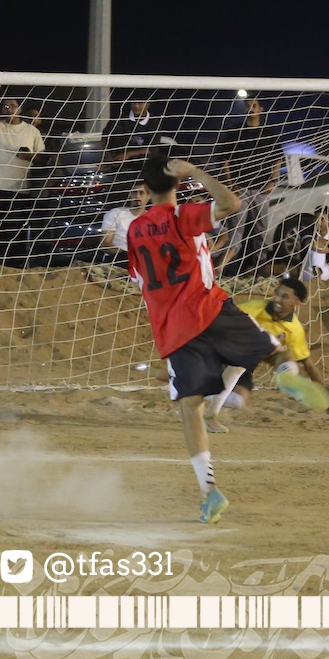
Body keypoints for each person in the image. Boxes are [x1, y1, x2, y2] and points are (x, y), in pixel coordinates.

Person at [126, 155, 279, 524]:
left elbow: (139, 280)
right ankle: (280, 375)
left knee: (189, 409)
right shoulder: (183, 216)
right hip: (206, 306)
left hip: (173, 328)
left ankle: (209, 491)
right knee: (265, 347)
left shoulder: (134, 229)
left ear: (144, 188)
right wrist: (195, 171)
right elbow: (231, 203)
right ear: (178, 183)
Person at [228, 276, 329, 414]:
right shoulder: (251, 309)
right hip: (227, 357)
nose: (277, 299)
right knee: (235, 399)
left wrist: (324, 393)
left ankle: (288, 378)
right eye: (277, 294)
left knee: (285, 355)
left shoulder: (294, 329)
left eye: (284, 296)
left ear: (296, 302)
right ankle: (209, 393)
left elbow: (308, 364)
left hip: (246, 363)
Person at [0, 84, 45, 264]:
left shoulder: (32, 131)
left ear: (20, 109)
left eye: (12, 106)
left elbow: (41, 158)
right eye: (5, 106)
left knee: (13, 229)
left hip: (18, 188)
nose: (8, 109)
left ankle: (10, 265)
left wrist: (28, 156)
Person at [98, 184, 149, 261]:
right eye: (134, 192)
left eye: (141, 193)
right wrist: (125, 255)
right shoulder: (115, 213)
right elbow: (104, 244)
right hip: (116, 259)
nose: (137, 196)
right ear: (130, 195)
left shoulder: (154, 220)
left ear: (148, 196)